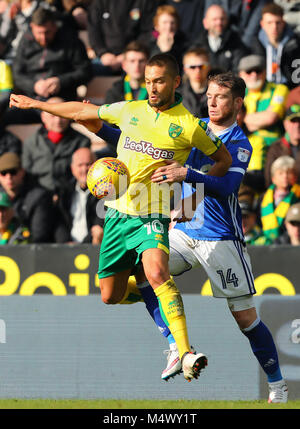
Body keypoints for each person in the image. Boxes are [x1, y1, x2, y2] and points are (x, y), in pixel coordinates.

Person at [9, 53, 232, 381]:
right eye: (147, 81)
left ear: (175, 82)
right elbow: (83, 111)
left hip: (152, 214)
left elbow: (223, 161)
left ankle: (183, 351)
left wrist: (191, 190)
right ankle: (152, 299)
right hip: (116, 216)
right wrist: (38, 105)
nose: (152, 88)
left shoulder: (189, 126)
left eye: (158, 81)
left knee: (156, 272)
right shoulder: (131, 109)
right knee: (110, 295)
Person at [86, 71, 288, 403]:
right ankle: (175, 346)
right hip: (182, 230)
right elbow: (134, 140)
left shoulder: (239, 142)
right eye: (209, 95)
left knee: (246, 319)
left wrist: (187, 173)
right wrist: (93, 123)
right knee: (147, 275)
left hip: (220, 239)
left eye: (220, 96)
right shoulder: (191, 126)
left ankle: (277, 387)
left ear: (238, 102)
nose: (212, 101)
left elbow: (228, 187)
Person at [4, 7, 92, 125]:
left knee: (56, 118)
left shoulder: (70, 40)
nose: (43, 37)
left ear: (55, 27)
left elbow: (86, 70)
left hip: (62, 100)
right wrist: (34, 86)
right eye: (39, 33)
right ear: (32, 27)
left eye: (47, 32)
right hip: (32, 99)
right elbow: (17, 73)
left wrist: (61, 81)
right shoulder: (25, 40)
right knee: (6, 117)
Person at [22, 96, 91, 195]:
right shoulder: (30, 142)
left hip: (72, 195)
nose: (58, 120)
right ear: (43, 117)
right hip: (39, 196)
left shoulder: (82, 141)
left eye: (61, 114)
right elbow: (26, 175)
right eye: (53, 115)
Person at [238, 54, 289, 184]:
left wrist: (245, 119)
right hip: (244, 146)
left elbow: (271, 117)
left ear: (265, 72)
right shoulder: (237, 94)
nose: (254, 75)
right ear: (241, 75)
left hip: (273, 145)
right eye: (249, 72)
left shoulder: (279, 89)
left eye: (258, 70)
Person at [87, 0, 158, 76]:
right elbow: (93, 32)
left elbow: (148, 32)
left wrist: (126, 55)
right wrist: (103, 53)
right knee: (89, 70)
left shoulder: (145, 2)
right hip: (105, 58)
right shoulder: (99, 3)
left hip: (134, 57)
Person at [0, 152, 54, 242]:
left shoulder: (38, 197)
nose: (8, 177)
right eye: (3, 173)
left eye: (13, 172)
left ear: (22, 172)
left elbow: (39, 236)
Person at [54, 147, 104, 244]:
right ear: (72, 169)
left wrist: (81, 247)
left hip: (92, 248)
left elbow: (100, 223)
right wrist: (65, 243)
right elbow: (59, 222)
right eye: (80, 165)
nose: (84, 169)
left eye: (88, 164)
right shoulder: (64, 192)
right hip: (66, 248)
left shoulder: (104, 193)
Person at [250, 3, 300, 89]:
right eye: (269, 23)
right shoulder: (254, 45)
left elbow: (297, 78)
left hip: (290, 91)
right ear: (262, 24)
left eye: (278, 23)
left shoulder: (296, 45)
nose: (274, 27)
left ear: (283, 23)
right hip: (262, 91)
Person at [193, 4, 249, 74]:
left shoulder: (236, 44)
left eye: (222, 19)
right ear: (205, 23)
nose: (219, 22)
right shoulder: (197, 46)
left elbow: (238, 71)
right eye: (215, 19)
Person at [260, 155, 300, 244]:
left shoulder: (297, 196)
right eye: (281, 173)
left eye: (289, 172)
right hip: (266, 244)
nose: (285, 176)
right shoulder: (263, 198)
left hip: (290, 243)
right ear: (273, 178)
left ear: (295, 176)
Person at [204, 0, 272, 50]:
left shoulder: (259, 2)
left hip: (243, 44)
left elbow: (252, 29)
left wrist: (239, 49)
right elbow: (210, 17)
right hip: (219, 40)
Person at [264, 104, 300, 187]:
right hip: (282, 197)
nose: (297, 125)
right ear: (285, 124)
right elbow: (269, 179)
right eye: (293, 121)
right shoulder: (275, 148)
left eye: (299, 121)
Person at [149, 4, 187, 73]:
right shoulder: (149, 43)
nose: (169, 27)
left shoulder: (184, 43)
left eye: (172, 23)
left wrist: (169, 51)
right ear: (157, 26)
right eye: (165, 22)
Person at [177, 47, 210, 118]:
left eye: (202, 66)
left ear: (209, 67)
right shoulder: (177, 97)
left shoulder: (218, 95)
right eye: (192, 67)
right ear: (185, 69)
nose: (197, 70)